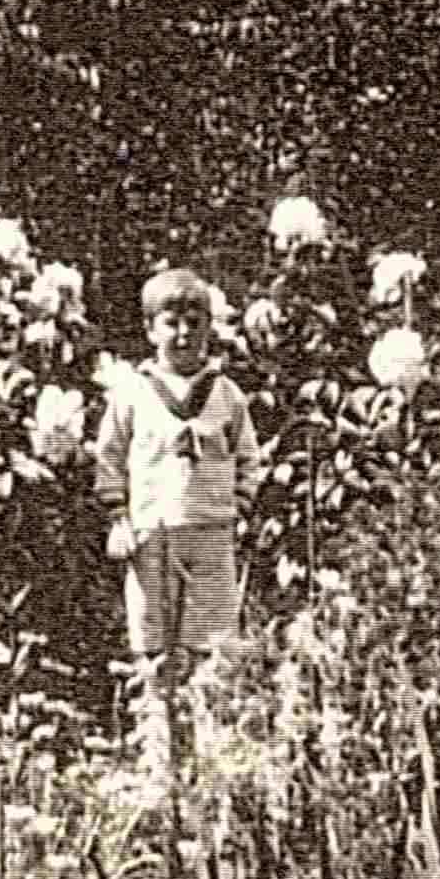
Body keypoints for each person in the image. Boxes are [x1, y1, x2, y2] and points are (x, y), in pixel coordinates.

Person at [91, 267, 263, 774]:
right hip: (153, 536)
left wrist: (242, 507)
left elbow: (248, 459)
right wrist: (118, 518)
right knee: (155, 648)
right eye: (172, 322)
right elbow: (109, 460)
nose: (184, 334)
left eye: (195, 321)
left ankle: (208, 760)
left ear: (210, 326)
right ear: (151, 330)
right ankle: (160, 760)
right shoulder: (132, 394)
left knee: (209, 649)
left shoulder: (227, 395)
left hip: (211, 533)